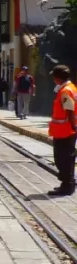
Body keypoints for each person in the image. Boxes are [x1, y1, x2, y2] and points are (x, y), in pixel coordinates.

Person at [48, 65, 76, 197]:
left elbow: (69, 109)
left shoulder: (65, 91)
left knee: (62, 159)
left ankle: (67, 186)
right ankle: (68, 184)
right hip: (67, 130)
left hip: (64, 131)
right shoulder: (72, 88)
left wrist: (72, 126)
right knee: (67, 157)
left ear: (57, 78)